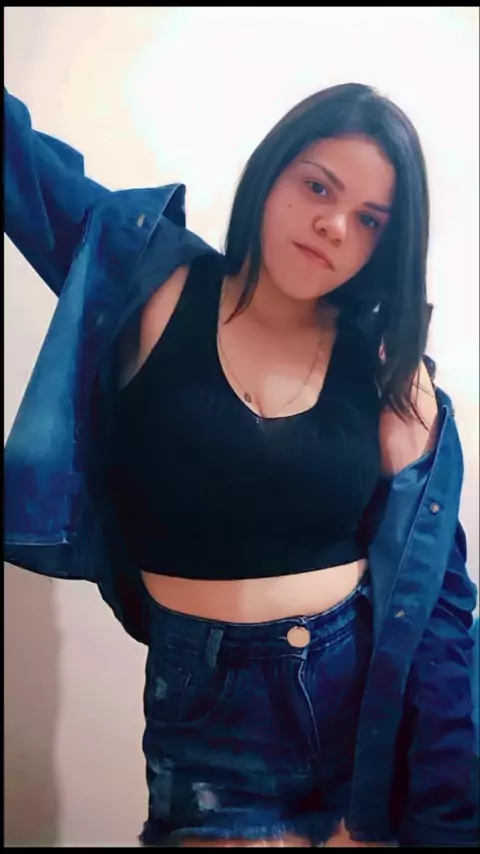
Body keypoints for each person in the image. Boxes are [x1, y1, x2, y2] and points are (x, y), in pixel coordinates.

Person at [4, 82, 479, 847]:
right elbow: (18, 162)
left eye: (369, 220)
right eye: (318, 187)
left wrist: (432, 820)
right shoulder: (149, 281)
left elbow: (439, 610)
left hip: (364, 736)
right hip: (208, 732)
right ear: (271, 170)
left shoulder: (390, 373)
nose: (333, 225)